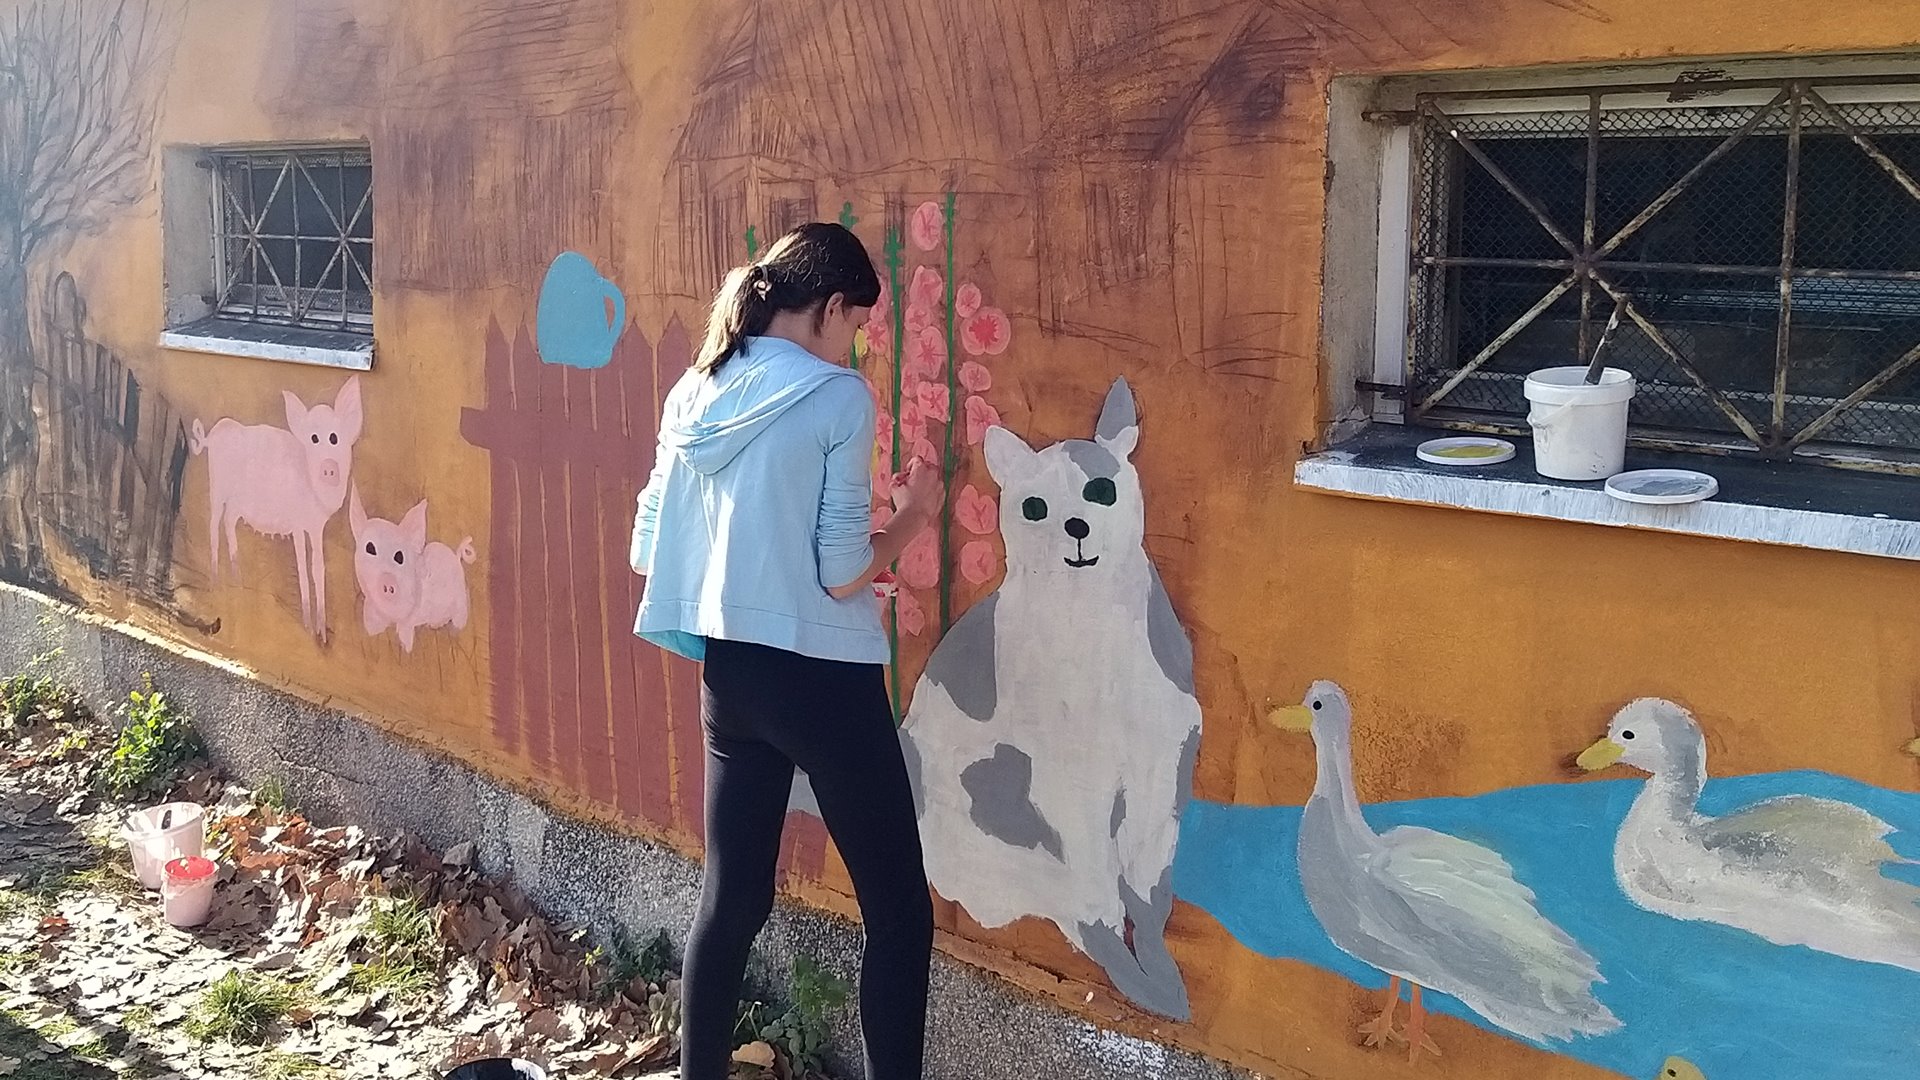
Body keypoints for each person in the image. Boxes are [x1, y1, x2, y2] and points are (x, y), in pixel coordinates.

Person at [629, 222, 941, 1080]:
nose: (853, 346)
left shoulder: (694, 389)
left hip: (730, 676)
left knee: (731, 902)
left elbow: (648, 548)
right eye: (855, 326)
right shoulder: (838, 398)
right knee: (899, 914)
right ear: (831, 307)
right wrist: (914, 516)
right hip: (824, 681)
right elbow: (842, 574)